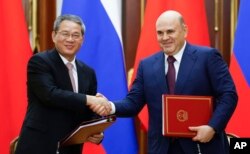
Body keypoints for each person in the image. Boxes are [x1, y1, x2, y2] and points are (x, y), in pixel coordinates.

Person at [106, 10, 238, 154]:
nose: (165, 37)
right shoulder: (146, 65)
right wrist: (109, 106)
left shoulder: (208, 57)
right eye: (160, 33)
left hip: (201, 145)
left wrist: (212, 127)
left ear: (184, 30)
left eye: (170, 31)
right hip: (161, 148)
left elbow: (228, 95)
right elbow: (133, 103)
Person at [15, 14, 111, 154]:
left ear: (82, 40)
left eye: (75, 35)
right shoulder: (39, 62)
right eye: (65, 34)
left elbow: (88, 112)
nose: (70, 39)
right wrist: (89, 99)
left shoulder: (88, 72)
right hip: (39, 145)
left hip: (71, 148)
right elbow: (50, 95)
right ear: (54, 36)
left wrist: (97, 132)